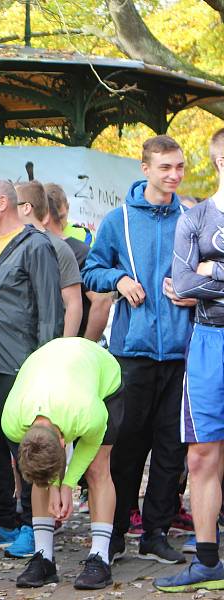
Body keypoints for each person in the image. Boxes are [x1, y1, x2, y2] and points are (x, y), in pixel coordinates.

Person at [83, 135, 194, 565]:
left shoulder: (193, 217)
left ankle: (155, 533)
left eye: (179, 167)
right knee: (126, 446)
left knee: (172, 447)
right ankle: (111, 535)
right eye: (166, 167)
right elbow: (92, 270)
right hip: (133, 351)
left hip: (184, 351)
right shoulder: (118, 219)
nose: (174, 175)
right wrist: (118, 280)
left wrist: (194, 292)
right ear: (145, 168)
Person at [0, 180, 63, 558]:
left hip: (18, 367)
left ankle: (34, 528)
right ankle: (1, 519)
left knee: (25, 451)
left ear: (3, 202)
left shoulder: (35, 244)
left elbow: (50, 309)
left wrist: (45, 366)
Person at [155, 128, 224, 592]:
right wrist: (196, 276)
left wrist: (212, 269)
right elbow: (180, 284)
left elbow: (197, 280)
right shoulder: (195, 218)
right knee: (201, 456)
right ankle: (207, 561)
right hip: (209, 341)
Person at [1, 337, 122, 589]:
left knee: (97, 468)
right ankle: (44, 558)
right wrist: (52, 484)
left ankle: (100, 557)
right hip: (47, 366)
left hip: (101, 370)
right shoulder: (11, 421)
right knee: (41, 474)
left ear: (63, 439)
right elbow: (39, 468)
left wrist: (66, 485)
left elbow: (89, 447)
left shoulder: (87, 412)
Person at [43, 184, 112, 342]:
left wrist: (84, 345)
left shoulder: (83, 239)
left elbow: (102, 299)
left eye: (61, 216)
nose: (61, 221)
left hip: (78, 341)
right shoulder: (37, 244)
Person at [16, 180, 83, 337]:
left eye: (14, 203)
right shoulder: (11, 245)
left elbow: (73, 304)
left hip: (47, 347)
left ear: (26, 208)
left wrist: (64, 349)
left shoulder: (58, 248)